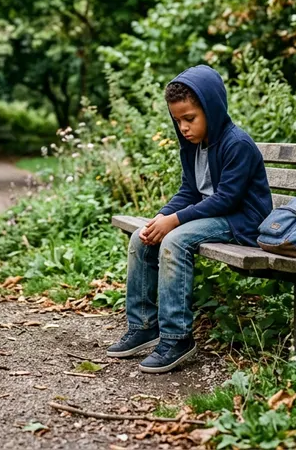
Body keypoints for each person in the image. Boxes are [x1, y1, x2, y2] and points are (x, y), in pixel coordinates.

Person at [107, 64, 271, 373]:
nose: (183, 127)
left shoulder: (237, 144)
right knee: (141, 236)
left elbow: (227, 199)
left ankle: (177, 338)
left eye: (190, 119)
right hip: (214, 215)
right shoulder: (193, 146)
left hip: (242, 220)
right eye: (177, 121)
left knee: (175, 240)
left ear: (212, 108)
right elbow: (189, 190)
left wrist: (175, 222)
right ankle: (143, 326)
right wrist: (162, 216)